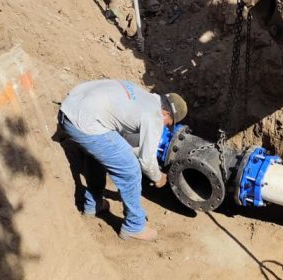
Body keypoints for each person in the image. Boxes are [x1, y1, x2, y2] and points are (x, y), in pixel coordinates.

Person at [58, 79, 187, 241]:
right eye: (169, 124)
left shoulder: (144, 97)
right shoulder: (155, 116)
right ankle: (134, 226)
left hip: (69, 110)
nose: (166, 127)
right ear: (166, 113)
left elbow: (124, 137)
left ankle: (93, 204)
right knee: (131, 169)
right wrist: (158, 177)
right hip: (84, 123)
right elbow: (146, 162)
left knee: (99, 154)